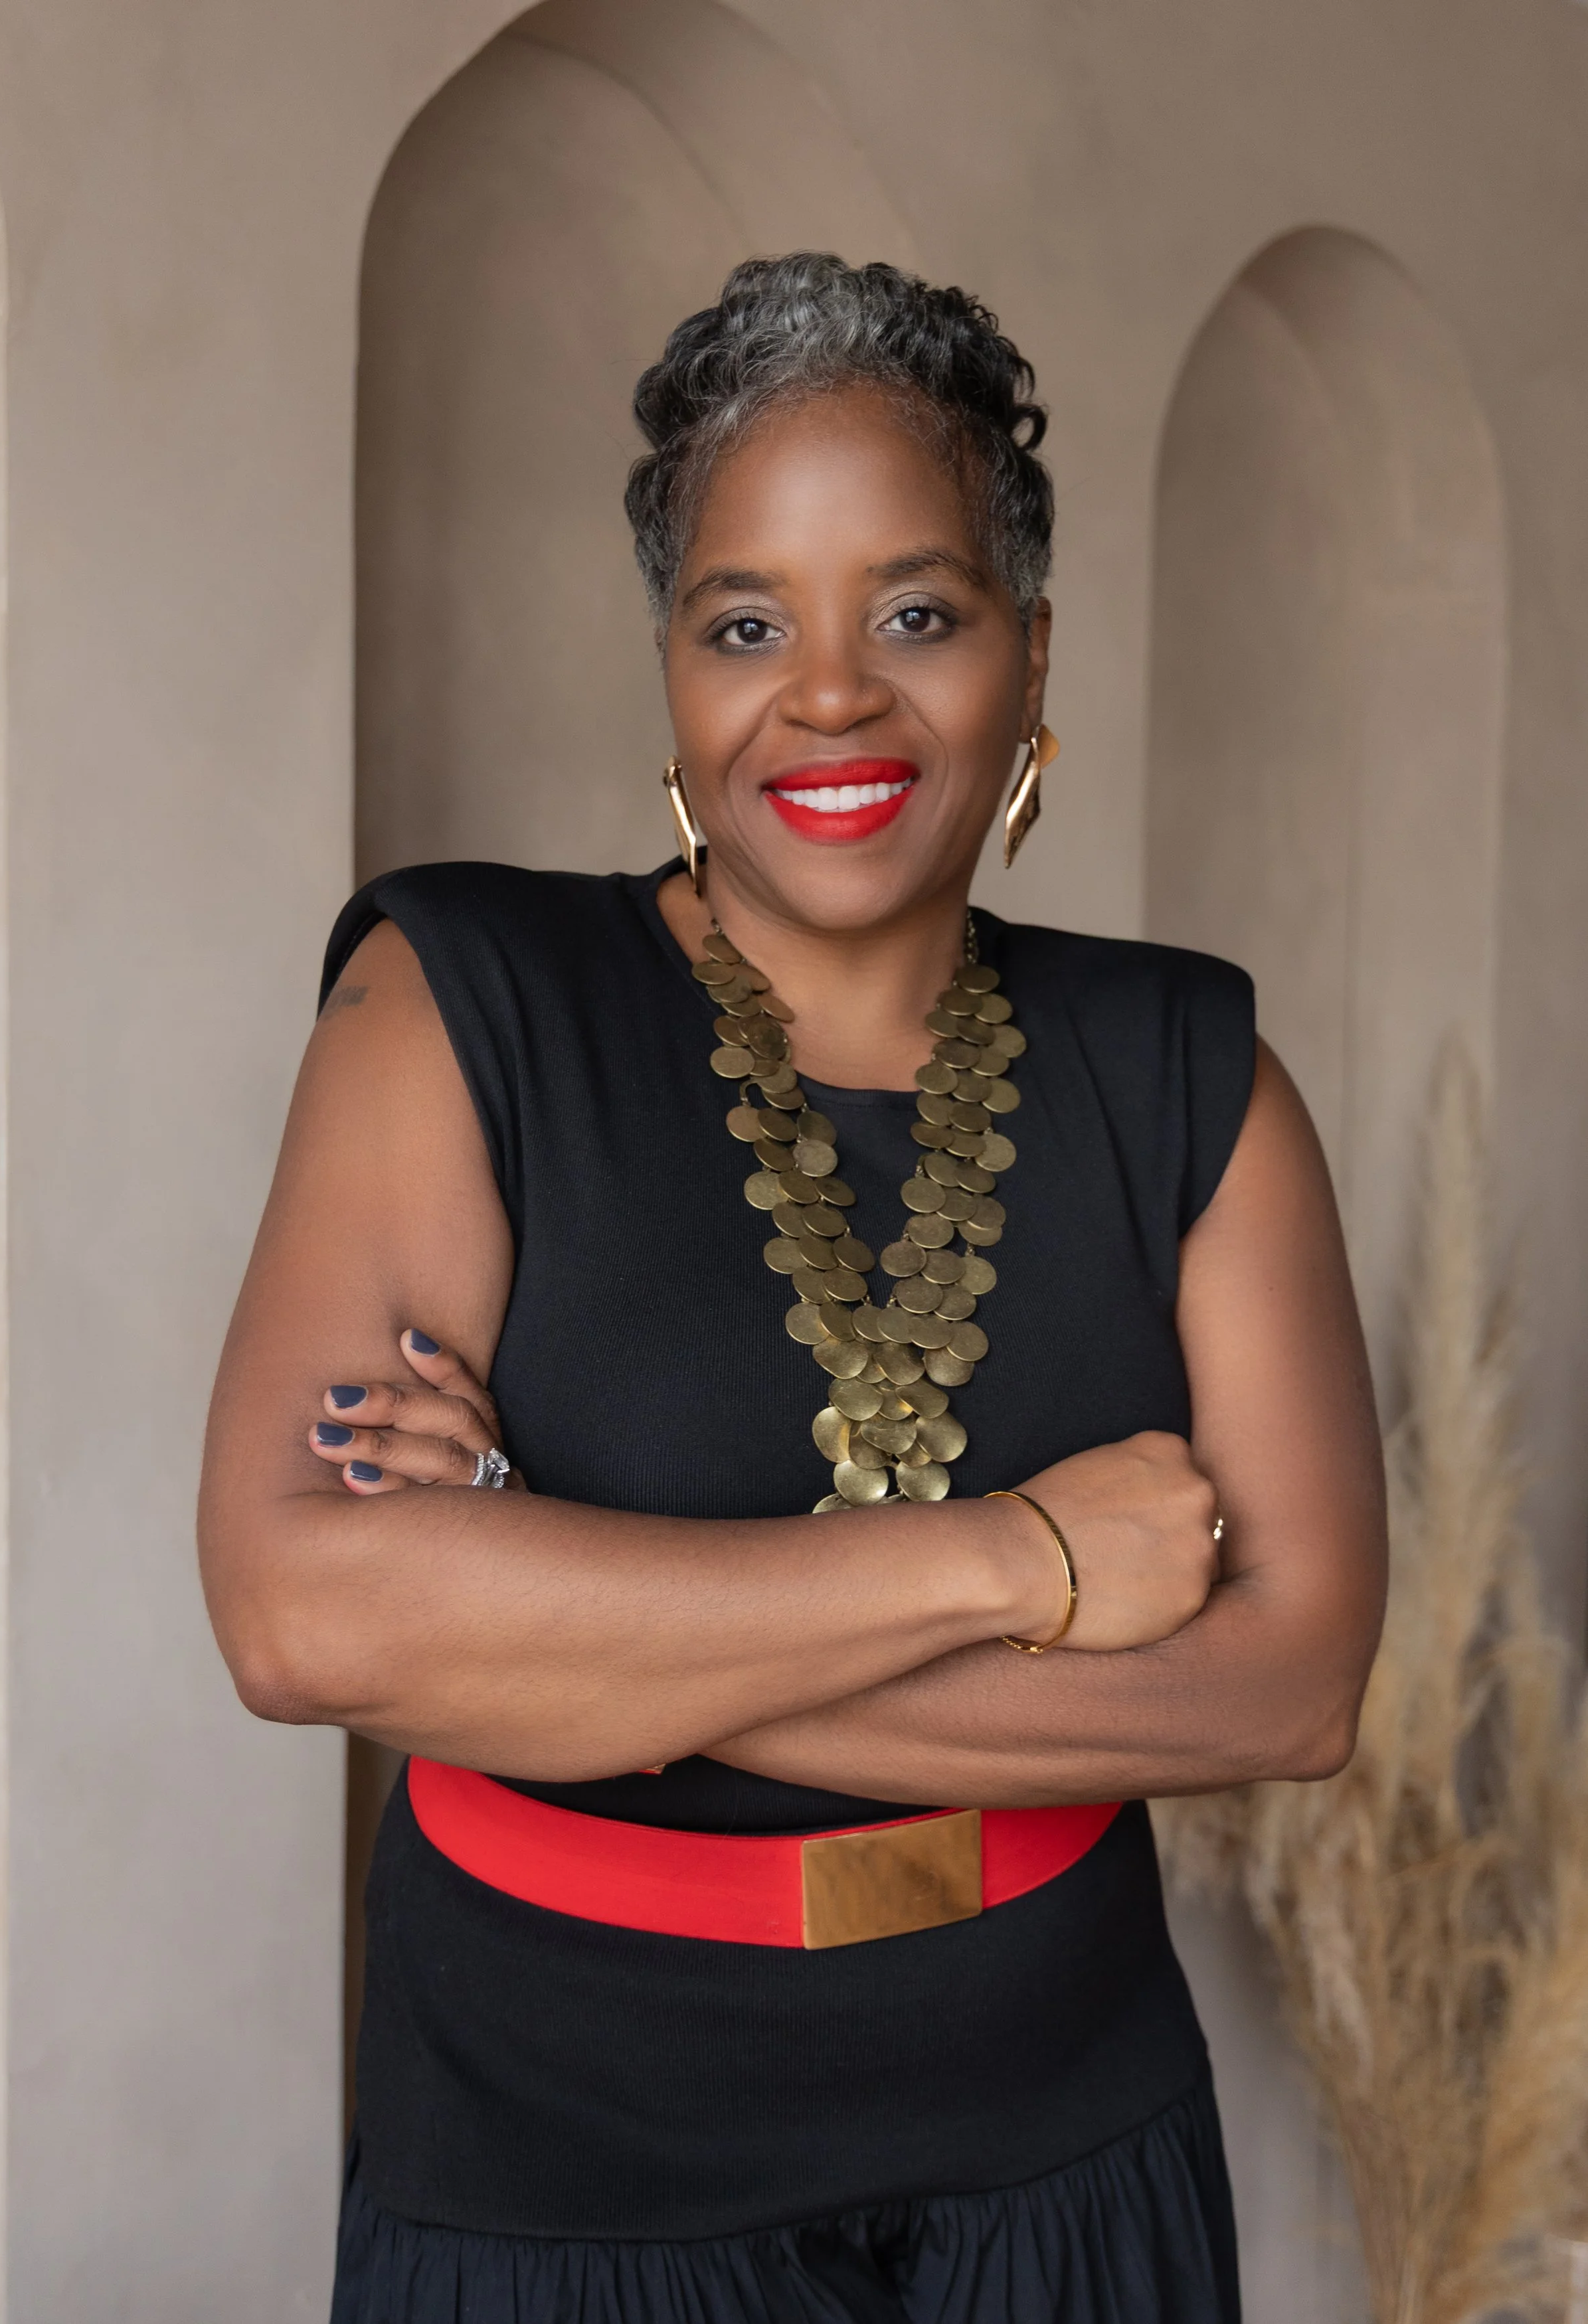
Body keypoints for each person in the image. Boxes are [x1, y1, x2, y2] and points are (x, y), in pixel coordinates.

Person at [200, 254, 1386, 2323]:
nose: (827, 696)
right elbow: (301, 1616)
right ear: (671, 668)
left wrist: (555, 1620)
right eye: (743, 622)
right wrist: (1021, 1558)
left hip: (1062, 2150)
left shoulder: (1191, 1074)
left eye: (915, 613)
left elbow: (1287, 1689)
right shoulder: (461, 1002)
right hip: (559, 2171)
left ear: (1032, 648)